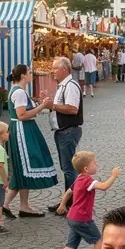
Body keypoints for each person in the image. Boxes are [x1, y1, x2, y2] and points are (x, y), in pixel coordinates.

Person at [44, 151, 121, 249]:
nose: (96, 165)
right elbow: (104, 186)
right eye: (94, 163)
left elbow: (68, 192)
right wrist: (113, 176)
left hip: (72, 217)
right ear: (86, 168)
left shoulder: (78, 179)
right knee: (98, 240)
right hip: (82, 219)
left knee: (69, 245)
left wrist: (62, 204)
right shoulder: (87, 180)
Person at [2, 64, 56, 218]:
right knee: (26, 164)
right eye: (30, 72)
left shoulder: (19, 91)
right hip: (22, 130)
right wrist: (41, 107)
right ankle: (7, 205)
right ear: (24, 75)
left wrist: (40, 103)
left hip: (23, 129)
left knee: (24, 167)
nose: (32, 74)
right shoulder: (19, 92)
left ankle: (22, 206)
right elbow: (22, 115)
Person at [45, 56, 83, 210]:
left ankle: (74, 203)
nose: (52, 71)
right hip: (62, 131)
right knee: (67, 168)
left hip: (68, 131)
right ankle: (68, 202)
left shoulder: (71, 85)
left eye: (55, 68)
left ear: (64, 70)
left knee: (69, 169)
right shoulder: (63, 85)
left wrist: (52, 106)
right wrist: (49, 105)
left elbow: (72, 109)